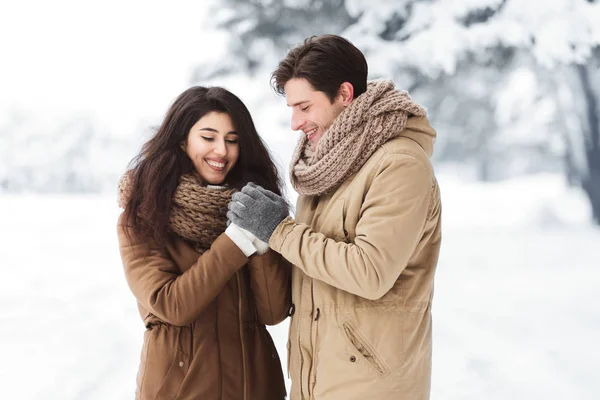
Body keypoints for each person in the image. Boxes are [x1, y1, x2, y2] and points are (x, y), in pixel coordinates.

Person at [227, 35, 442, 399]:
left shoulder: (399, 165)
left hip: (372, 386)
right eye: (292, 109)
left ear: (344, 94)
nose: (295, 123)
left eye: (305, 107)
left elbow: (370, 271)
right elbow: (311, 270)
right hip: (317, 380)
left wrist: (279, 230)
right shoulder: (322, 167)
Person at [117, 86, 290, 400]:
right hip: (181, 389)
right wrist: (238, 239)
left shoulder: (255, 207)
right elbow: (172, 305)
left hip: (256, 387)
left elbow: (274, 312)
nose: (221, 151)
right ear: (183, 141)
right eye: (208, 138)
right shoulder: (144, 214)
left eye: (232, 140)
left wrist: (263, 241)